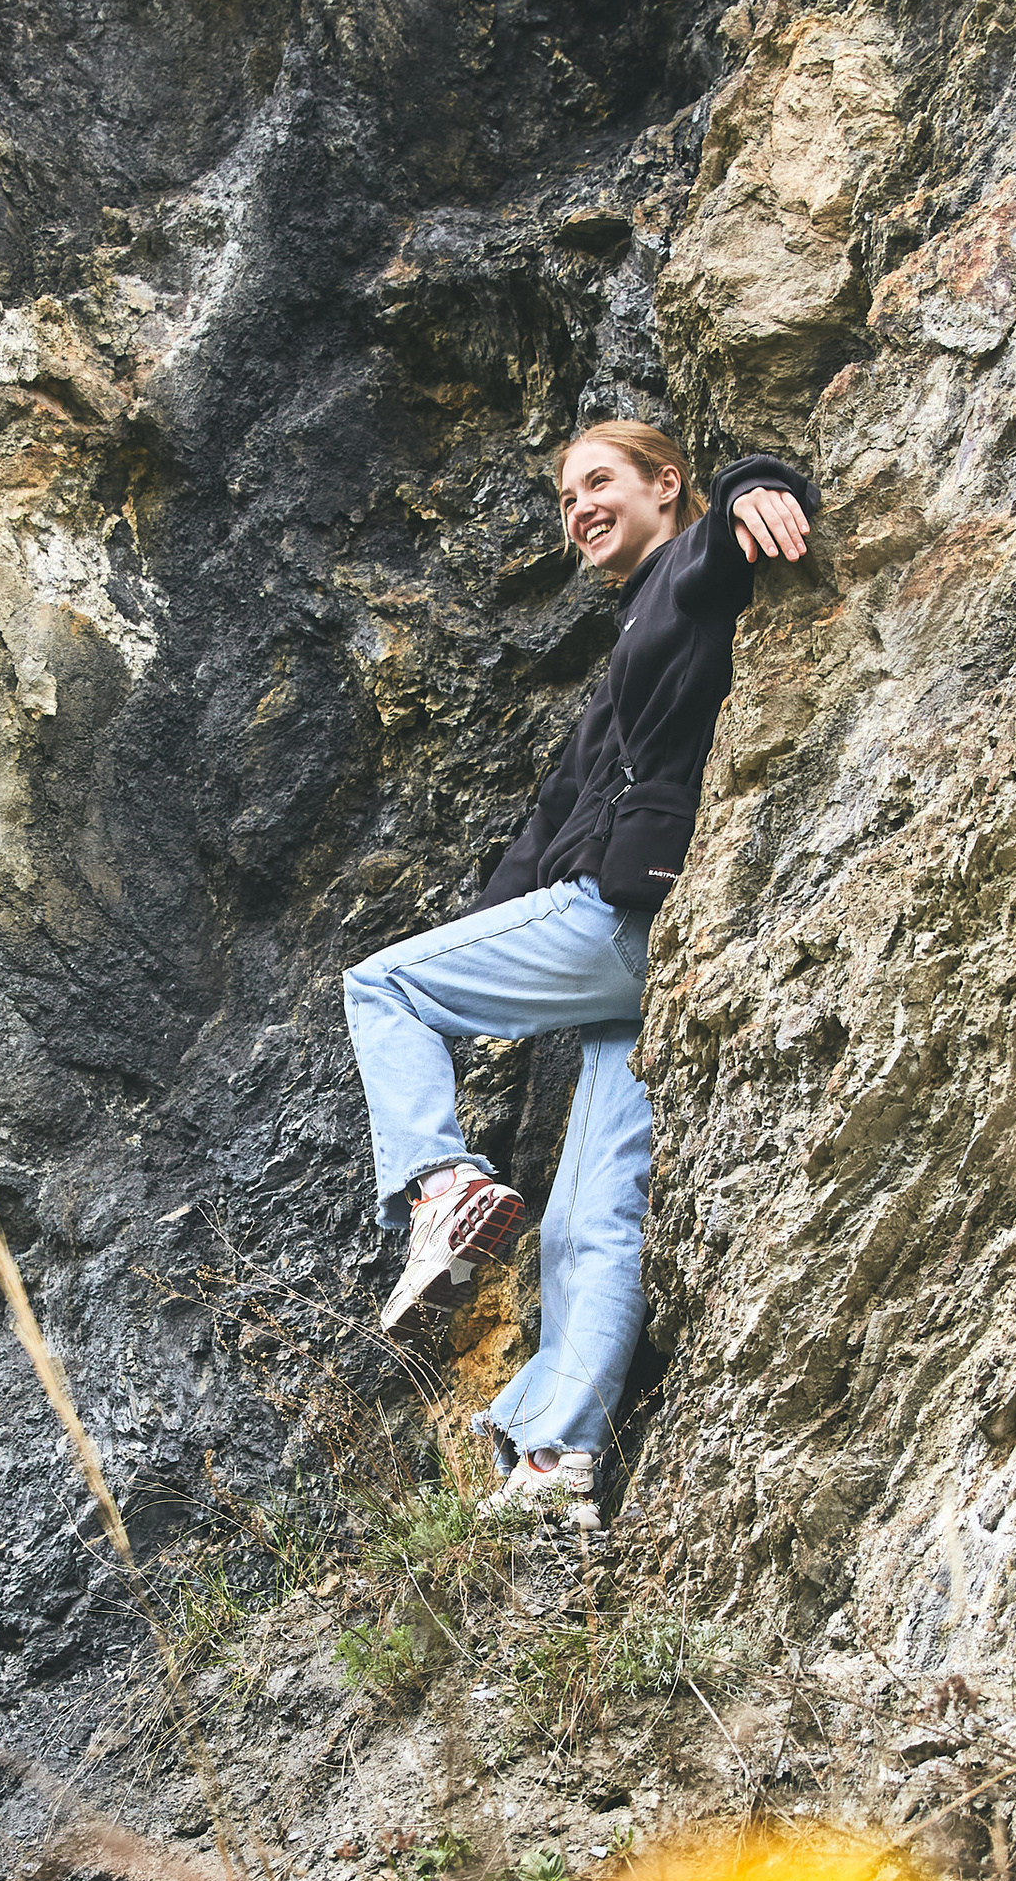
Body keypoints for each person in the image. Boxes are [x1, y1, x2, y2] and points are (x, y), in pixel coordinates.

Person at [341, 420, 819, 1518]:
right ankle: (558, 1464)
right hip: (635, 967)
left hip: (615, 919)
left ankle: (441, 1185)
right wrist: (485, 936)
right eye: (565, 498)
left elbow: (741, 509)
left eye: (600, 483)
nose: (580, 510)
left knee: (384, 985)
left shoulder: (682, 577)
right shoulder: (629, 634)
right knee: (588, 1221)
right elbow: (536, 840)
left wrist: (754, 484)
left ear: (665, 486)